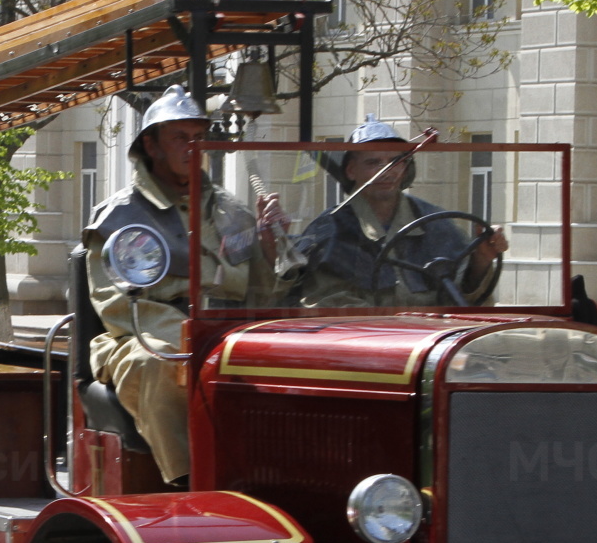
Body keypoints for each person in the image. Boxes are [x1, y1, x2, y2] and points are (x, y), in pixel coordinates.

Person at [85, 84, 290, 484]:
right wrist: (192, 337)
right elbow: (115, 307)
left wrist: (269, 249)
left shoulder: (234, 213)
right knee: (163, 363)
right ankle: (190, 480)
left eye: (198, 138)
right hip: (142, 337)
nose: (192, 147)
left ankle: (279, 476)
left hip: (225, 332)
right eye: (180, 137)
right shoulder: (117, 217)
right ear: (152, 145)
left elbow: (262, 297)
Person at [293, 117, 509, 307]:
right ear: (351, 170)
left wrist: (481, 261)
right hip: (367, 345)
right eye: (373, 162)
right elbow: (326, 304)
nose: (386, 171)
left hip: (432, 342)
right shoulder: (331, 230)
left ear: (405, 168)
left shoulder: (435, 223)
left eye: (395, 162)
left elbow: (464, 302)